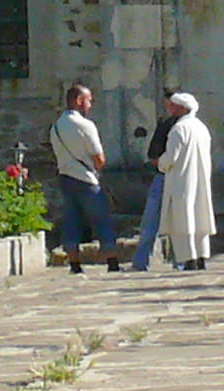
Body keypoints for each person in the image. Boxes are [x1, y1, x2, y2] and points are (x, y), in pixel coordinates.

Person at [47, 83, 123, 274]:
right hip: (86, 179)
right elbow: (99, 158)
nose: (90, 105)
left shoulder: (56, 127)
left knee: (71, 220)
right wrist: (98, 168)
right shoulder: (86, 125)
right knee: (102, 219)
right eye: (89, 100)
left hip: (65, 177)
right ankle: (112, 261)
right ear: (79, 101)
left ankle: (74, 264)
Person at [155, 89, 216, 271]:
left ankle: (189, 258)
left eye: (174, 106)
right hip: (200, 180)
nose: (171, 110)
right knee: (199, 217)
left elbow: (171, 157)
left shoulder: (179, 129)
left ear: (182, 108)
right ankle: (202, 256)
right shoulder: (202, 128)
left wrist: (160, 163)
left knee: (183, 220)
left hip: (181, 181)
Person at [125, 94, 177, 269]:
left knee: (153, 221)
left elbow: (154, 156)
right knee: (157, 221)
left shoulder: (176, 126)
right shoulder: (174, 126)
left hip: (167, 176)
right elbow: (153, 155)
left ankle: (142, 261)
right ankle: (180, 262)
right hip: (173, 176)